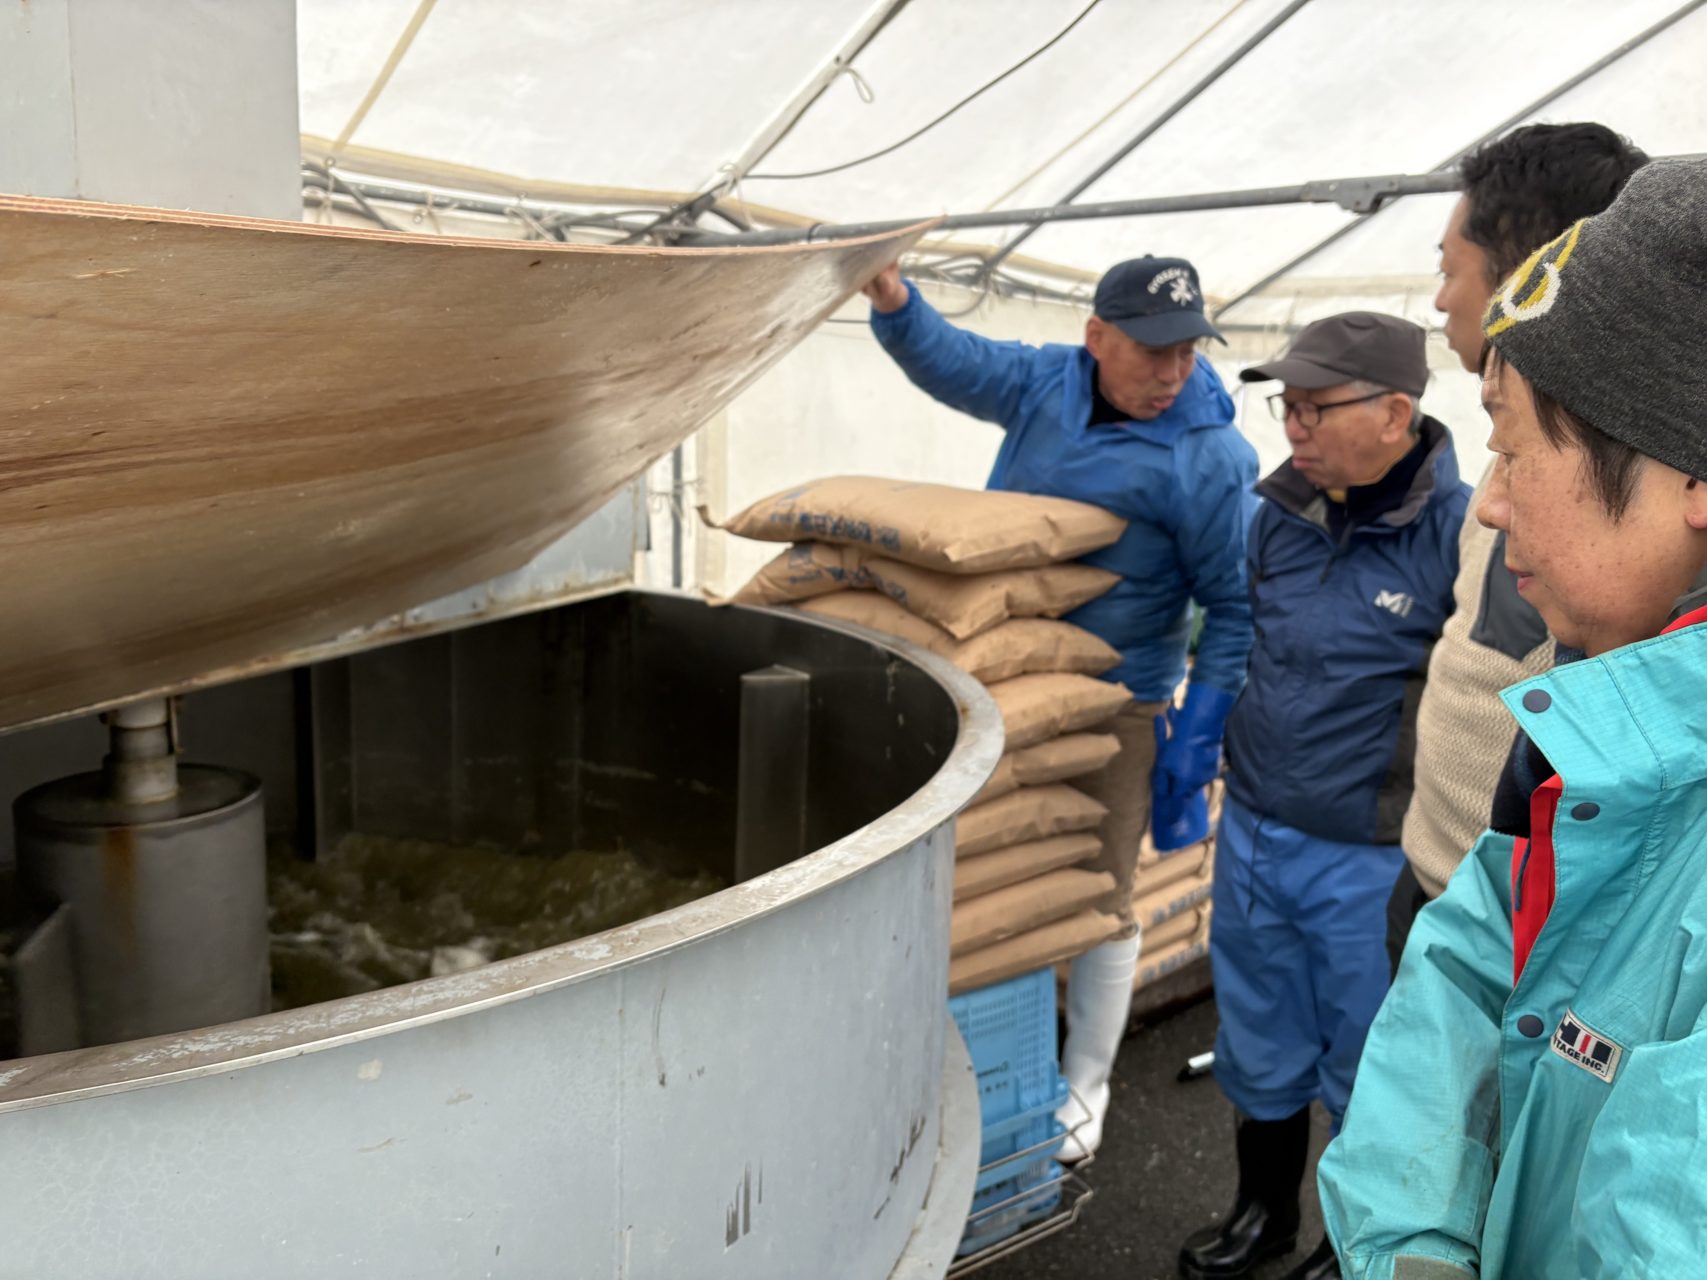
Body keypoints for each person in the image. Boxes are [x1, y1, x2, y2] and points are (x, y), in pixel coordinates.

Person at [1319, 156, 1707, 1280]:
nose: (1488, 502)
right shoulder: (1599, 721)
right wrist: (1414, 1239)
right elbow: (1475, 956)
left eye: (1515, 446)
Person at [864, 256, 1257, 1158]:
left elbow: (1234, 609)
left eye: (1188, 351)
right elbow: (955, 361)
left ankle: (1087, 1081)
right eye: (1153, 351)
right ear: (1096, 338)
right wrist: (895, 301)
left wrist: (1196, 732)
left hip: (1115, 705)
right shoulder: (1045, 381)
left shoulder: (1208, 458)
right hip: (993, 685)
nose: (1172, 372)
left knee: (1102, 891)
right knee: (975, 870)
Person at [1180, 314, 1468, 1280]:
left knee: (1367, 1060)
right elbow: (1248, 636)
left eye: (1313, 408)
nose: (1292, 428)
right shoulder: (1279, 515)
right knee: (1256, 1034)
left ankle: (1350, 1249)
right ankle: (1262, 1213)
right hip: (1255, 828)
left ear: (1395, 412)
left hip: (1367, 853)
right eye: (1287, 408)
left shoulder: (1460, 536)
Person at [1390, 124, 1649, 972]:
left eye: (1449, 270)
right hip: (1447, 883)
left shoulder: (1623, 482)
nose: (1439, 300)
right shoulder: (1514, 461)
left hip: (1517, 933)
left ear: (1523, 274)